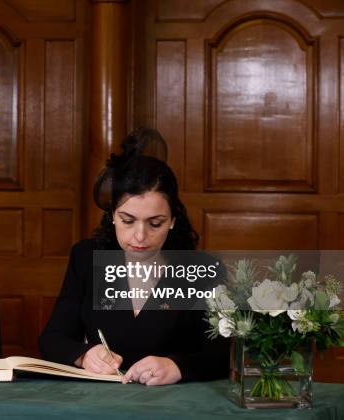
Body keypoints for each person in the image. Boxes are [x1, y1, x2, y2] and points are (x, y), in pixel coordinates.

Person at [39, 142, 229, 385]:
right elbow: (52, 339)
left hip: (173, 404)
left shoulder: (203, 270)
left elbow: (220, 356)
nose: (140, 236)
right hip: (100, 401)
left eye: (155, 223)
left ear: (172, 220)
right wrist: (84, 355)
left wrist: (177, 366)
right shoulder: (87, 258)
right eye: (127, 220)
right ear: (112, 217)